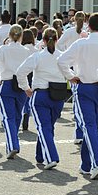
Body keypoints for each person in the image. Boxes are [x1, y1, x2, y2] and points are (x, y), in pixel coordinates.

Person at [57, 13, 98, 180]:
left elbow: (61, 61)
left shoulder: (81, 43)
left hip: (85, 86)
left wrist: (71, 76)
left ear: (88, 26)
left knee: (89, 126)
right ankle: (86, 164)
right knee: (93, 126)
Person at [17, 28, 69, 170]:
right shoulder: (62, 56)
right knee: (48, 126)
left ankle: (51, 157)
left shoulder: (38, 56)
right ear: (57, 40)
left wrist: (26, 88)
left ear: (43, 41)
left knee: (43, 126)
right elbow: (70, 74)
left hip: (41, 94)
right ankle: (40, 155)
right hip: (58, 95)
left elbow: (20, 72)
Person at [0, 24, 30, 159]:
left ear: (10, 36)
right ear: (21, 36)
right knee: (17, 116)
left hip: (6, 82)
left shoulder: (3, 49)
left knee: (8, 117)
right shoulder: (25, 51)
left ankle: (12, 144)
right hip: (21, 85)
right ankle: (13, 142)